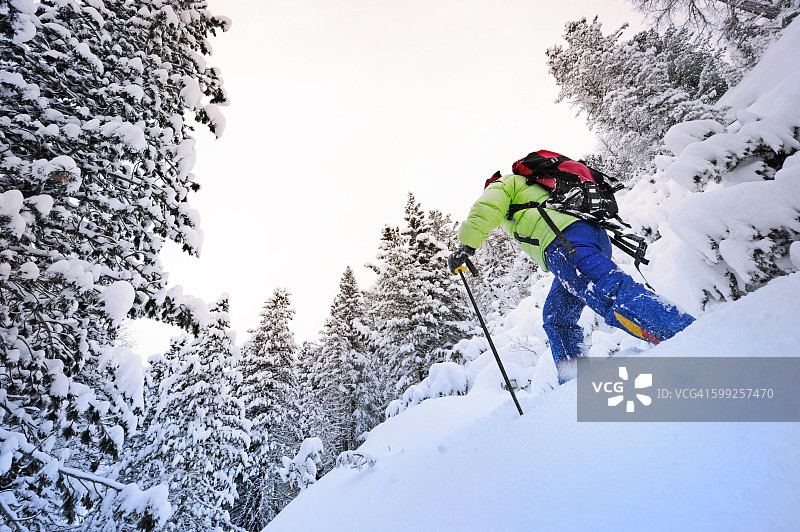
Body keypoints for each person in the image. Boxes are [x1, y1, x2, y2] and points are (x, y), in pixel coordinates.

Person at [448, 150, 695, 384]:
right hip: (588, 237)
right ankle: (575, 383)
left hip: (564, 243)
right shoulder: (534, 186)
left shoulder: (504, 184)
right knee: (557, 318)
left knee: (611, 293)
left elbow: (486, 209)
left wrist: (466, 247)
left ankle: (688, 337)